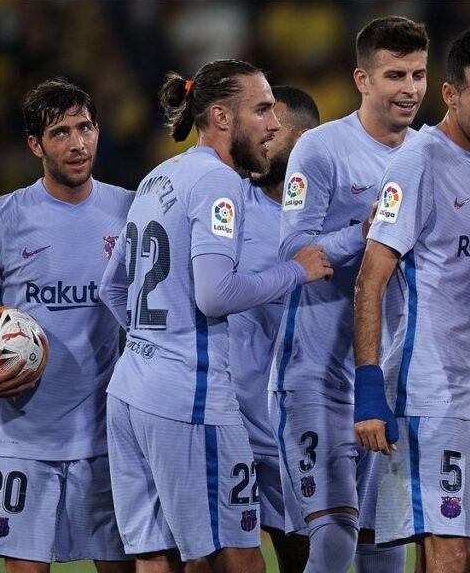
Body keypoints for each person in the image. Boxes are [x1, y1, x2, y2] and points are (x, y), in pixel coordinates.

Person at [100, 60, 330, 573]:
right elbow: (215, 295)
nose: (273, 123)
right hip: (191, 397)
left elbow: (112, 287)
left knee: (156, 556)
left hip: (130, 391)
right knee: (239, 553)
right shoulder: (218, 182)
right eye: (262, 110)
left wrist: (151, 344)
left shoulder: (159, 175)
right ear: (222, 117)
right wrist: (297, 270)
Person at [0, 79, 134, 573]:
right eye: (60, 133)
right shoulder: (2, 218)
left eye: (85, 128)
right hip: (21, 441)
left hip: (108, 439)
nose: (77, 143)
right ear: (35, 145)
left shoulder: (130, 210)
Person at [352, 28, 470, 573]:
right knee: (450, 554)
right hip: (425, 389)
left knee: (447, 556)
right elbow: (371, 278)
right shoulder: (418, 162)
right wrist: (369, 388)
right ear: (449, 94)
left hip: (464, 387)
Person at [270, 16, 428, 573]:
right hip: (313, 376)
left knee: (383, 543)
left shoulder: (429, 155)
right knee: (335, 534)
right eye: (395, 75)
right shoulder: (321, 149)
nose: (409, 89)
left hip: (388, 380)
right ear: (363, 79)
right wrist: (363, 234)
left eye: (418, 75)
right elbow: (292, 251)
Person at [229, 85, 320, 573]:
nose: (259, 138)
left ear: (303, 141)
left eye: (272, 129)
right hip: (229, 417)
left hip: (300, 423)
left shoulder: (334, 214)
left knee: (300, 556)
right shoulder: (228, 205)